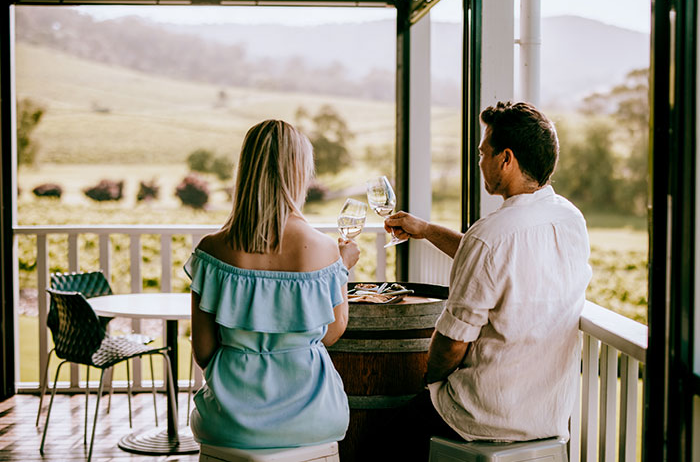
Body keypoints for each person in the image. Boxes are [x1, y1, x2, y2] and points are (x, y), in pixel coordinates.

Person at [385, 101, 591, 459]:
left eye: (484, 152)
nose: (480, 161)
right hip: (548, 416)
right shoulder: (569, 219)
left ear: (505, 159)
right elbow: (493, 260)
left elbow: (450, 345)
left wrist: (432, 381)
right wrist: (427, 230)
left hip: (484, 416)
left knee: (384, 439)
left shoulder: (491, 235)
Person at [183, 119, 360, 449]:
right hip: (313, 417)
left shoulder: (211, 251)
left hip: (229, 421)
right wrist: (343, 267)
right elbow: (332, 333)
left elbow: (204, 353)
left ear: (246, 170)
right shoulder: (324, 250)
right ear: (298, 173)